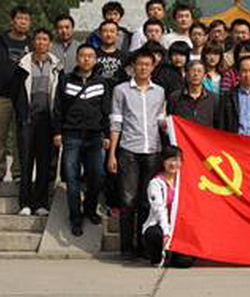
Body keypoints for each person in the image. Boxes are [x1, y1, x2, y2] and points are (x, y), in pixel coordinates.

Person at [108, 49, 166, 259]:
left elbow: (161, 120)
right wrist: (112, 154)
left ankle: (143, 246)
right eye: (139, 64)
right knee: (127, 200)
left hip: (153, 151)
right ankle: (126, 247)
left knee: (146, 200)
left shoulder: (159, 92)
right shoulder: (121, 90)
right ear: (133, 67)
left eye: (147, 64)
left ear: (153, 67)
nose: (143, 68)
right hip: (129, 150)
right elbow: (116, 122)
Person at [52, 44, 110, 236]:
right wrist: (57, 132)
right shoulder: (65, 80)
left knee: (98, 175)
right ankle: (75, 217)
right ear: (77, 59)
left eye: (90, 56)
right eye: (83, 56)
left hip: (95, 136)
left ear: (95, 60)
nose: (86, 59)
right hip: (72, 135)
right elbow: (58, 108)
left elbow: (106, 110)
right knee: (72, 178)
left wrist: (107, 134)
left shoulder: (102, 83)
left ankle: (90, 208)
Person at [11, 28, 63, 216]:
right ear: (33, 42)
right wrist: (21, 114)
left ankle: (41, 203)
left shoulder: (57, 66)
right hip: (27, 119)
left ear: (50, 43)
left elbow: (60, 96)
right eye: (38, 39)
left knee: (44, 162)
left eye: (45, 39)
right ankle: (25, 202)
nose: (41, 42)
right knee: (26, 162)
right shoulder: (22, 65)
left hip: (47, 120)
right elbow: (16, 92)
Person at [0, 6, 32, 185]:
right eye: (20, 18)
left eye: (26, 19)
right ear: (13, 20)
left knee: (20, 137)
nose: (23, 22)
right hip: (2, 96)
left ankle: (17, 172)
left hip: (22, 98)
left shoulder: (32, 44)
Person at [142, 146, 194, 267]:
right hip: (161, 226)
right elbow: (159, 210)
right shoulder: (155, 183)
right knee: (153, 233)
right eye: (169, 160)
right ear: (163, 162)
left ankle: (171, 256)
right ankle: (157, 257)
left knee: (184, 262)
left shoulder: (184, 182)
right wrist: (166, 232)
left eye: (177, 160)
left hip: (180, 228)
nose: (173, 164)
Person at [167, 61, 218, 127]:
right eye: (192, 71)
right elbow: (170, 121)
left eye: (199, 71)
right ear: (186, 74)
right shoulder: (175, 97)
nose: (196, 74)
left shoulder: (213, 99)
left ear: (205, 76)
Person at [95, 20, 129, 86]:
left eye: (112, 31)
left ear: (117, 34)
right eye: (105, 31)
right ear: (100, 34)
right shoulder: (93, 55)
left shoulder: (124, 56)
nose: (109, 34)